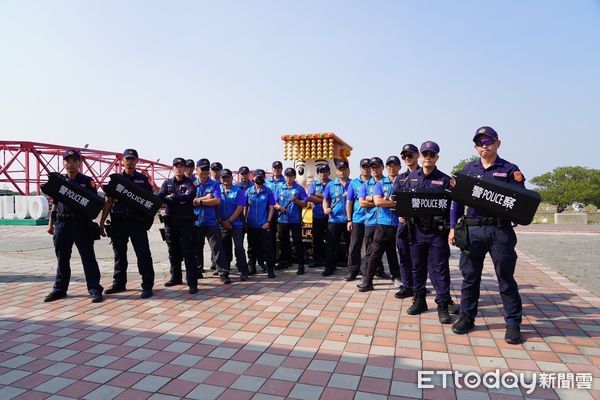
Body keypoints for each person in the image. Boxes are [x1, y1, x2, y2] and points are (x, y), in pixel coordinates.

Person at [449, 126, 525, 344]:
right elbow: (457, 201)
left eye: (489, 141)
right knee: (470, 276)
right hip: (473, 230)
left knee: (505, 278)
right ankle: (467, 317)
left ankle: (513, 323)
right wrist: (453, 228)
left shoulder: (510, 170)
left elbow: (520, 202)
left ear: (498, 143)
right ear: (475, 147)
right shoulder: (468, 170)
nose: (485, 146)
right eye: (480, 143)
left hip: (500, 231)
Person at [400, 142, 458, 323]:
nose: (428, 157)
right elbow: (404, 200)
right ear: (420, 156)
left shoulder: (445, 180)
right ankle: (419, 300)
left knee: (440, 269)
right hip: (416, 230)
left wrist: (452, 229)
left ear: (437, 157)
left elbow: (453, 206)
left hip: (437, 232)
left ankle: (442, 304)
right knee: (417, 267)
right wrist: (402, 213)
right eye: (425, 154)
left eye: (431, 155)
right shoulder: (411, 178)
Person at [44, 149, 103, 303]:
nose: (70, 164)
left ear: (79, 163)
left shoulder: (87, 181)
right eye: (67, 161)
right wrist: (51, 225)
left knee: (88, 257)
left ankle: (95, 289)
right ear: (63, 163)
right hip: (62, 224)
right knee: (62, 258)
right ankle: (59, 290)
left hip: (80, 224)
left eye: (73, 161)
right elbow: (55, 205)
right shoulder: (59, 182)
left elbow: (95, 204)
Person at [100, 149, 155, 299]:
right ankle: (119, 283)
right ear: (122, 161)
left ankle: (147, 285)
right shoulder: (116, 180)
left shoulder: (143, 180)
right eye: (127, 159)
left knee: (143, 254)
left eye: (132, 159)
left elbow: (151, 203)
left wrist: (147, 223)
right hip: (118, 222)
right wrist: (102, 222)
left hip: (137, 223)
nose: (129, 162)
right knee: (119, 255)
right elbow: (109, 201)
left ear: (137, 161)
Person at [357, 156, 401, 292]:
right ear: (386, 168)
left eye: (394, 166)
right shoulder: (380, 184)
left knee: (395, 253)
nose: (391, 168)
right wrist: (396, 203)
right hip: (383, 223)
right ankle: (368, 280)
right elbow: (378, 202)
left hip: (400, 224)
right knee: (375, 253)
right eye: (389, 166)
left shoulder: (404, 182)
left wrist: (388, 201)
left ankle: (398, 277)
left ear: (399, 167)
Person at [158, 158, 198, 293]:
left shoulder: (190, 183)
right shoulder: (167, 182)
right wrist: (179, 199)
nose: (179, 168)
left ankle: (192, 282)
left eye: (182, 166)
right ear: (173, 168)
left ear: (185, 168)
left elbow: (190, 196)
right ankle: (176, 277)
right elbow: (160, 197)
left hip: (185, 222)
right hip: (170, 222)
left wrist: (172, 198)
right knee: (173, 252)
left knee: (188, 252)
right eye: (177, 166)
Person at [193, 158, 230, 284]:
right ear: (196, 169)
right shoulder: (192, 184)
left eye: (206, 169)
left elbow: (217, 201)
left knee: (217, 248)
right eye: (202, 169)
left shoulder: (214, 184)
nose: (204, 171)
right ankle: (198, 271)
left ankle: (223, 273)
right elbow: (190, 201)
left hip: (211, 221)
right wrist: (207, 198)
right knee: (197, 248)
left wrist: (201, 201)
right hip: (196, 221)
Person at [393, 144, 421, 298]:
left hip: (421, 225)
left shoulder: (425, 175)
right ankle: (407, 285)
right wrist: (399, 213)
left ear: (417, 155)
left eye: (410, 155)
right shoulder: (400, 178)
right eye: (404, 156)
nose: (407, 158)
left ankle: (419, 287)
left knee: (418, 258)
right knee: (403, 256)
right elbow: (394, 199)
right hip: (404, 224)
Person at [275, 167, 308, 275]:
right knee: (283, 242)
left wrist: (296, 200)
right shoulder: (280, 188)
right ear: (284, 176)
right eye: (287, 176)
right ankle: (284, 261)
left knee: (297, 242)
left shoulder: (299, 189)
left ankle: (301, 265)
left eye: (291, 176)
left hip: (295, 220)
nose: (289, 178)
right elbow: (273, 202)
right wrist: (279, 208)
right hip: (282, 219)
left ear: (294, 177)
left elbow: (305, 204)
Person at [219, 168, 250, 281]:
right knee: (224, 249)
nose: (226, 179)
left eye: (228, 177)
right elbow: (215, 205)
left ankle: (243, 271)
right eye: (223, 177)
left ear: (232, 178)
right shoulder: (218, 190)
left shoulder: (238, 191)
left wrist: (229, 221)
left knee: (239, 248)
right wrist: (222, 221)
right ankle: (225, 273)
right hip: (222, 225)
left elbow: (240, 207)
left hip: (236, 225)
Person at [246, 169, 277, 278]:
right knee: (251, 248)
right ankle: (252, 268)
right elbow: (245, 207)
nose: (259, 179)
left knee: (267, 248)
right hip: (251, 224)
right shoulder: (249, 191)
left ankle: (270, 269)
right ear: (253, 178)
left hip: (264, 225)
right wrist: (245, 221)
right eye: (257, 177)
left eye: (261, 177)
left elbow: (271, 207)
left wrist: (268, 221)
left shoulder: (268, 191)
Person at [322, 161, 351, 276]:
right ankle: (330, 267)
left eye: (344, 169)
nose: (342, 171)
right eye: (340, 169)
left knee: (351, 245)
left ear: (348, 171)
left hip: (350, 220)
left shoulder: (353, 184)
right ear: (336, 171)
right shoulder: (331, 185)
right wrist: (326, 208)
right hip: (334, 219)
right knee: (331, 245)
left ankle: (352, 268)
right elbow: (325, 199)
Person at [345, 158, 371, 281]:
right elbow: (349, 202)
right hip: (357, 219)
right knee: (354, 246)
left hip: (372, 220)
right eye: (363, 167)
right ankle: (353, 271)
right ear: (360, 168)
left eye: (368, 166)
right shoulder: (354, 183)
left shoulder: (376, 182)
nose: (366, 169)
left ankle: (371, 270)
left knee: (371, 247)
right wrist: (349, 219)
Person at [307, 164, 331, 268]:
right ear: (318, 173)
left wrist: (319, 196)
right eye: (321, 171)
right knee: (317, 239)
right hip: (317, 216)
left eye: (325, 171)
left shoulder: (332, 184)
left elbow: (333, 198)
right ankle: (317, 260)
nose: (323, 173)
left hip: (330, 217)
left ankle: (328, 260)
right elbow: (310, 197)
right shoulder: (314, 184)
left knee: (330, 239)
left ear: (329, 172)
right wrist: (325, 200)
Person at [265, 161, 285, 265]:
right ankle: (271, 258)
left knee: (282, 237)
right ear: (272, 169)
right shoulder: (267, 182)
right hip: (270, 213)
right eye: (275, 168)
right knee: (270, 237)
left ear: (281, 169)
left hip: (282, 213)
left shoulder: (285, 181)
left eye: (278, 168)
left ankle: (283, 259)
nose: (276, 170)